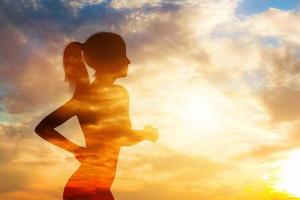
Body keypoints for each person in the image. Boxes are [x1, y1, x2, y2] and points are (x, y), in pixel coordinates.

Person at [35, 32, 159, 200]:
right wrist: (145, 134)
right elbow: (121, 137)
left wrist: (76, 150)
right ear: (110, 60)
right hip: (89, 190)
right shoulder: (117, 94)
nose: (129, 61)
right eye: (123, 55)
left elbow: (43, 128)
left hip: (87, 188)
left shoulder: (83, 98)